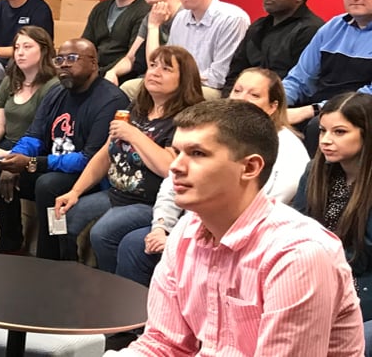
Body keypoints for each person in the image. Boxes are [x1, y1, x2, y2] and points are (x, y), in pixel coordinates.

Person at [112, 100, 363, 357]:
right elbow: (163, 343)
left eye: (197, 153)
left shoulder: (297, 254)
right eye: (177, 152)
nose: (175, 166)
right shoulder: (187, 229)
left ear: (250, 167)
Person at [114, 67, 310, 288]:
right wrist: (161, 226)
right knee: (133, 244)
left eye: (254, 95)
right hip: (194, 223)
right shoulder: (215, 131)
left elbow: (265, 207)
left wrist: (183, 238)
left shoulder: (288, 148)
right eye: (237, 90)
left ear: (273, 106)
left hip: (243, 238)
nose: (242, 99)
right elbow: (172, 183)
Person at [54, 45, 204, 272]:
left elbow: (170, 168)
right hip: (116, 193)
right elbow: (105, 153)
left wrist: (134, 135)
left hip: (149, 201)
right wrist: (75, 192)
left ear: (184, 79)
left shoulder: (185, 120)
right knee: (63, 216)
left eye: (166, 69)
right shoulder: (136, 109)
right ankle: (69, 273)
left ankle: (109, 285)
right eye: (152, 66)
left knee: (102, 232)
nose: (154, 72)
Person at [1, 38, 129, 260]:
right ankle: (10, 245)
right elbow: (35, 135)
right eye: (59, 59)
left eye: (72, 58)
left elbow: (90, 158)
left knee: (48, 184)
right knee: (1, 172)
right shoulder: (56, 92)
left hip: (91, 178)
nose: (64, 65)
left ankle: (52, 258)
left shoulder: (111, 100)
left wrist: (33, 163)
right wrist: (16, 157)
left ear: (93, 63)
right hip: (53, 164)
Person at [292, 93, 372, 352]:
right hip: (317, 269)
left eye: (339, 132)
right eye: (323, 130)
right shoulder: (316, 170)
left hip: (362, 276)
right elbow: (297, 227)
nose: (326, 140)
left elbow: (363, 256)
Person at [283, 0, 372, 151]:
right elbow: (299, 79)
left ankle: (332, 182)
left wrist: (314, 109)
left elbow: (367, 97)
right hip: (322, 108)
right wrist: (273, 102)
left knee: (320, 127)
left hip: (360, 112)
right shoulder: (333, 27)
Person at [0, 26, 59, 253]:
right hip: (7, 145)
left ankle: (10, 241)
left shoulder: (53, 87)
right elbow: (0, 126)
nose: (19, 52)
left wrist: (11, 160)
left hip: (37, 151)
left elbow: (42, 135)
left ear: (44, 50)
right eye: (17, 47)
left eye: (27, 47)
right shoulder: (10, 81)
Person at [223, 0, 323, 93]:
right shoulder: (258, 27)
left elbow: (300, 85)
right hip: (244, 100)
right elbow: (235, 74)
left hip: (283, 104)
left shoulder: (311, 30)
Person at [164, 0, 251, 92]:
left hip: (214, 90)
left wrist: (180, 79)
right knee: (131, 88)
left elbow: (220, 77)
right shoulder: (180, 17)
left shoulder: (232, 18)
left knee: (170, 97)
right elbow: (170, 61)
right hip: (180, 84)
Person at [106, 0, 181, 87]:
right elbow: (130, 58)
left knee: (128, 87)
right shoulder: (150, 16)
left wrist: (153, 27)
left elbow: (156, 64)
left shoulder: (185, 16)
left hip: (175, 77)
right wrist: (112, 72)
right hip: (153, 76)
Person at [84, 0, 150, 75]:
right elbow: (86, 43)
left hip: (123, 73)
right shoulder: (100, 8)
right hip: (93, 71)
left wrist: (102, 74)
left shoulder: (145, 10)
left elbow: (133, 56)